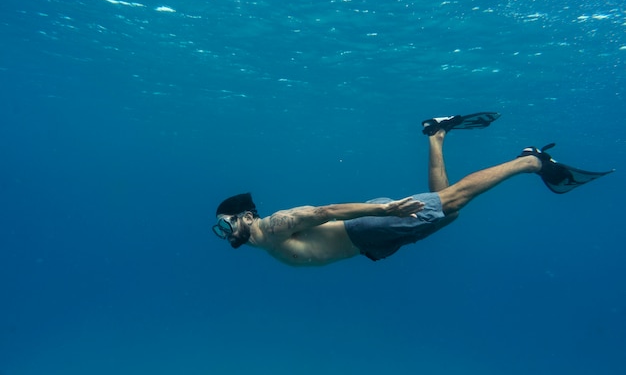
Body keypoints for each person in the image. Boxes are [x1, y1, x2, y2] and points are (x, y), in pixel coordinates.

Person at [212, 113, 613, 266]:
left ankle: (530, 161)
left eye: (226, 224)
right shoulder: (266, 241)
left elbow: (323, 212)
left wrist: (384, 214)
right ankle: (436, 133)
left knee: (451, 202)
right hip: (368, 241)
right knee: (449, 210)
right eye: (222, 229)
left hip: (366, 229)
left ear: (247, 216)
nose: (227, 233)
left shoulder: (276, 224)